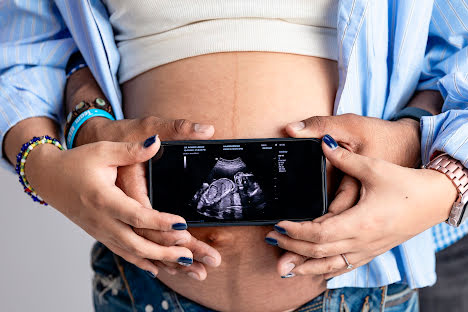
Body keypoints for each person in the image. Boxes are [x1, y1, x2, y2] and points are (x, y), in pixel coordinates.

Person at [1, 1, 467, 311]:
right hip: (144, 286)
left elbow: (456, 44)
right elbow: (28, 42)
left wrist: (435, 173)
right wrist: (45, 162)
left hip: (362, 285)